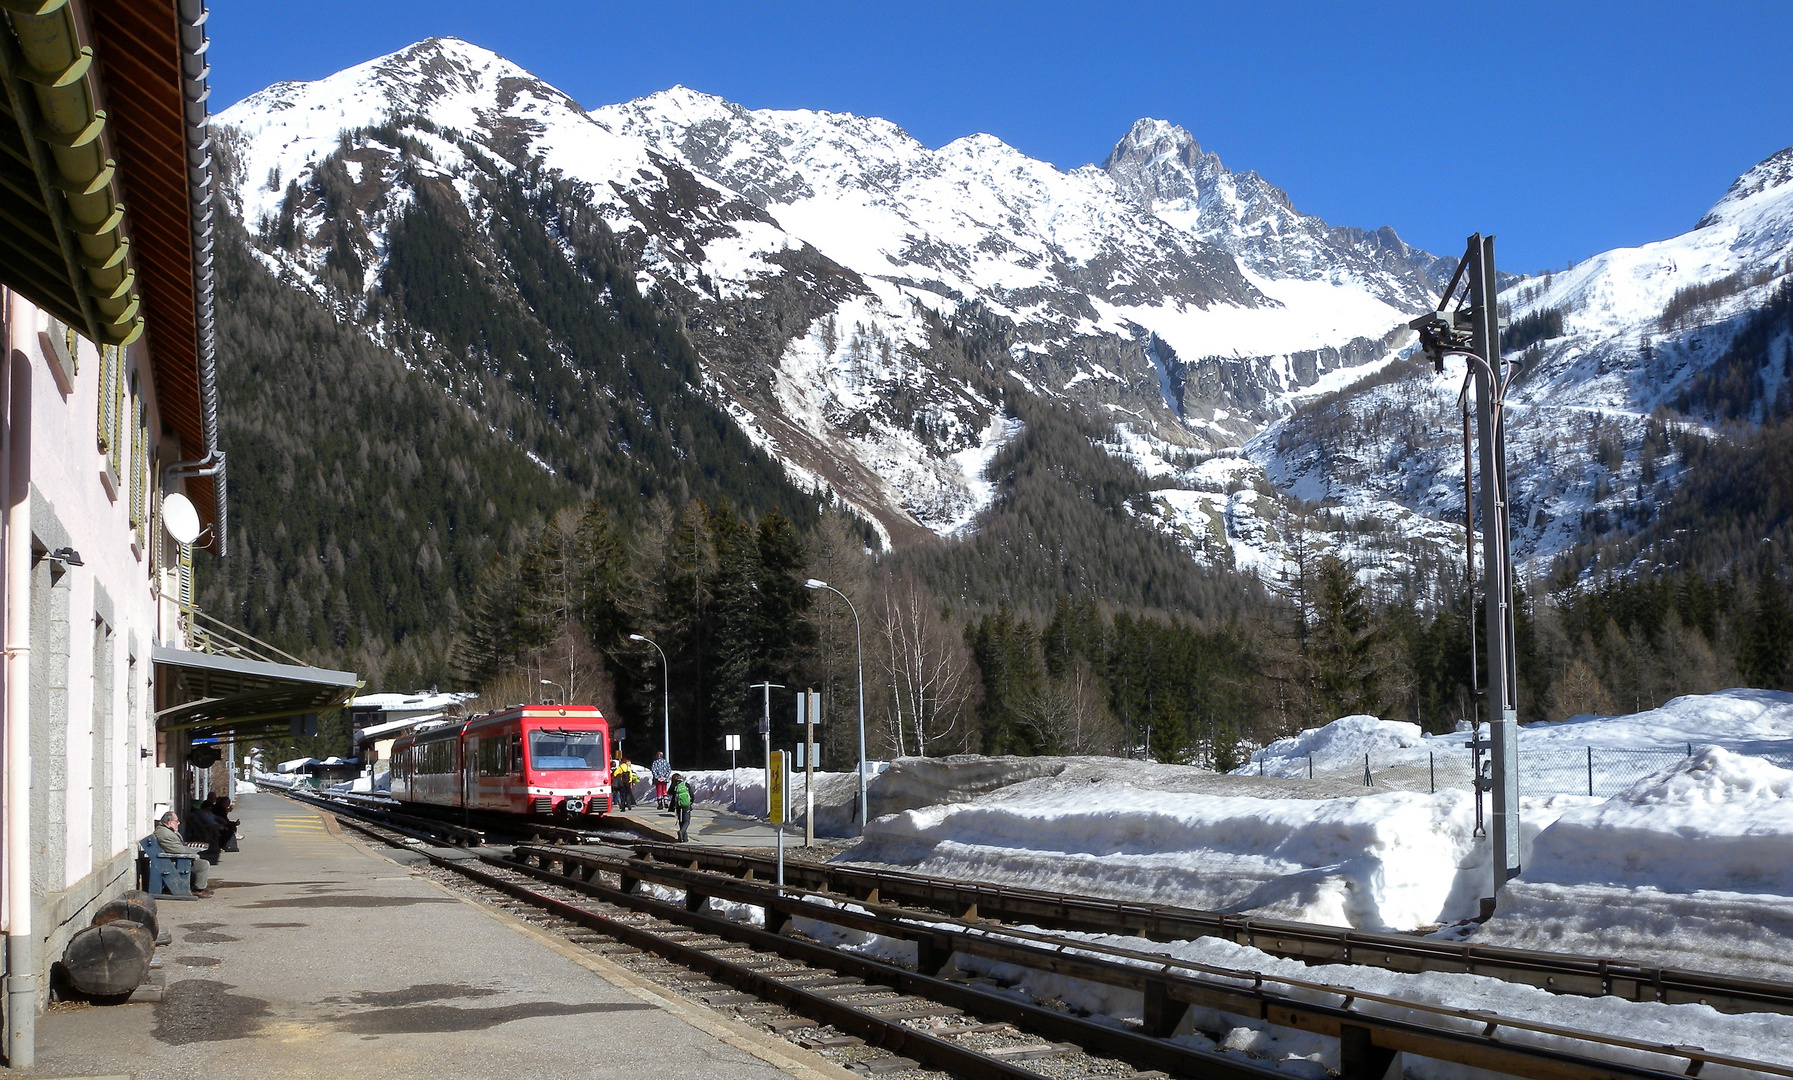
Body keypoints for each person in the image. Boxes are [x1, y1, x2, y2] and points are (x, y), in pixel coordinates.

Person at [154, 811, 212, 896]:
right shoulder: (164, 834)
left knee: (201, 862)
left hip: (174, 859)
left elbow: (178, 846)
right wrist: (194, 854)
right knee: (203, 864)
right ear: (169, 823)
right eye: (176, 821)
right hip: (173, 862)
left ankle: (200, 887)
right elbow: (178, 849)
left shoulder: (166, 830)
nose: (179, 823)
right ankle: (198, 889)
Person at [670, 773, 693, 842]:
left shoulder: (674, 786)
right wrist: (690, 802)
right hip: (686, 805)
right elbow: (692, 795)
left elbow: (669, 792)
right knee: (686, 821)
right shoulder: (685, 784)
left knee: (681, 821)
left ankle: (684, 838)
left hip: (678, 806)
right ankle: (682, 833)